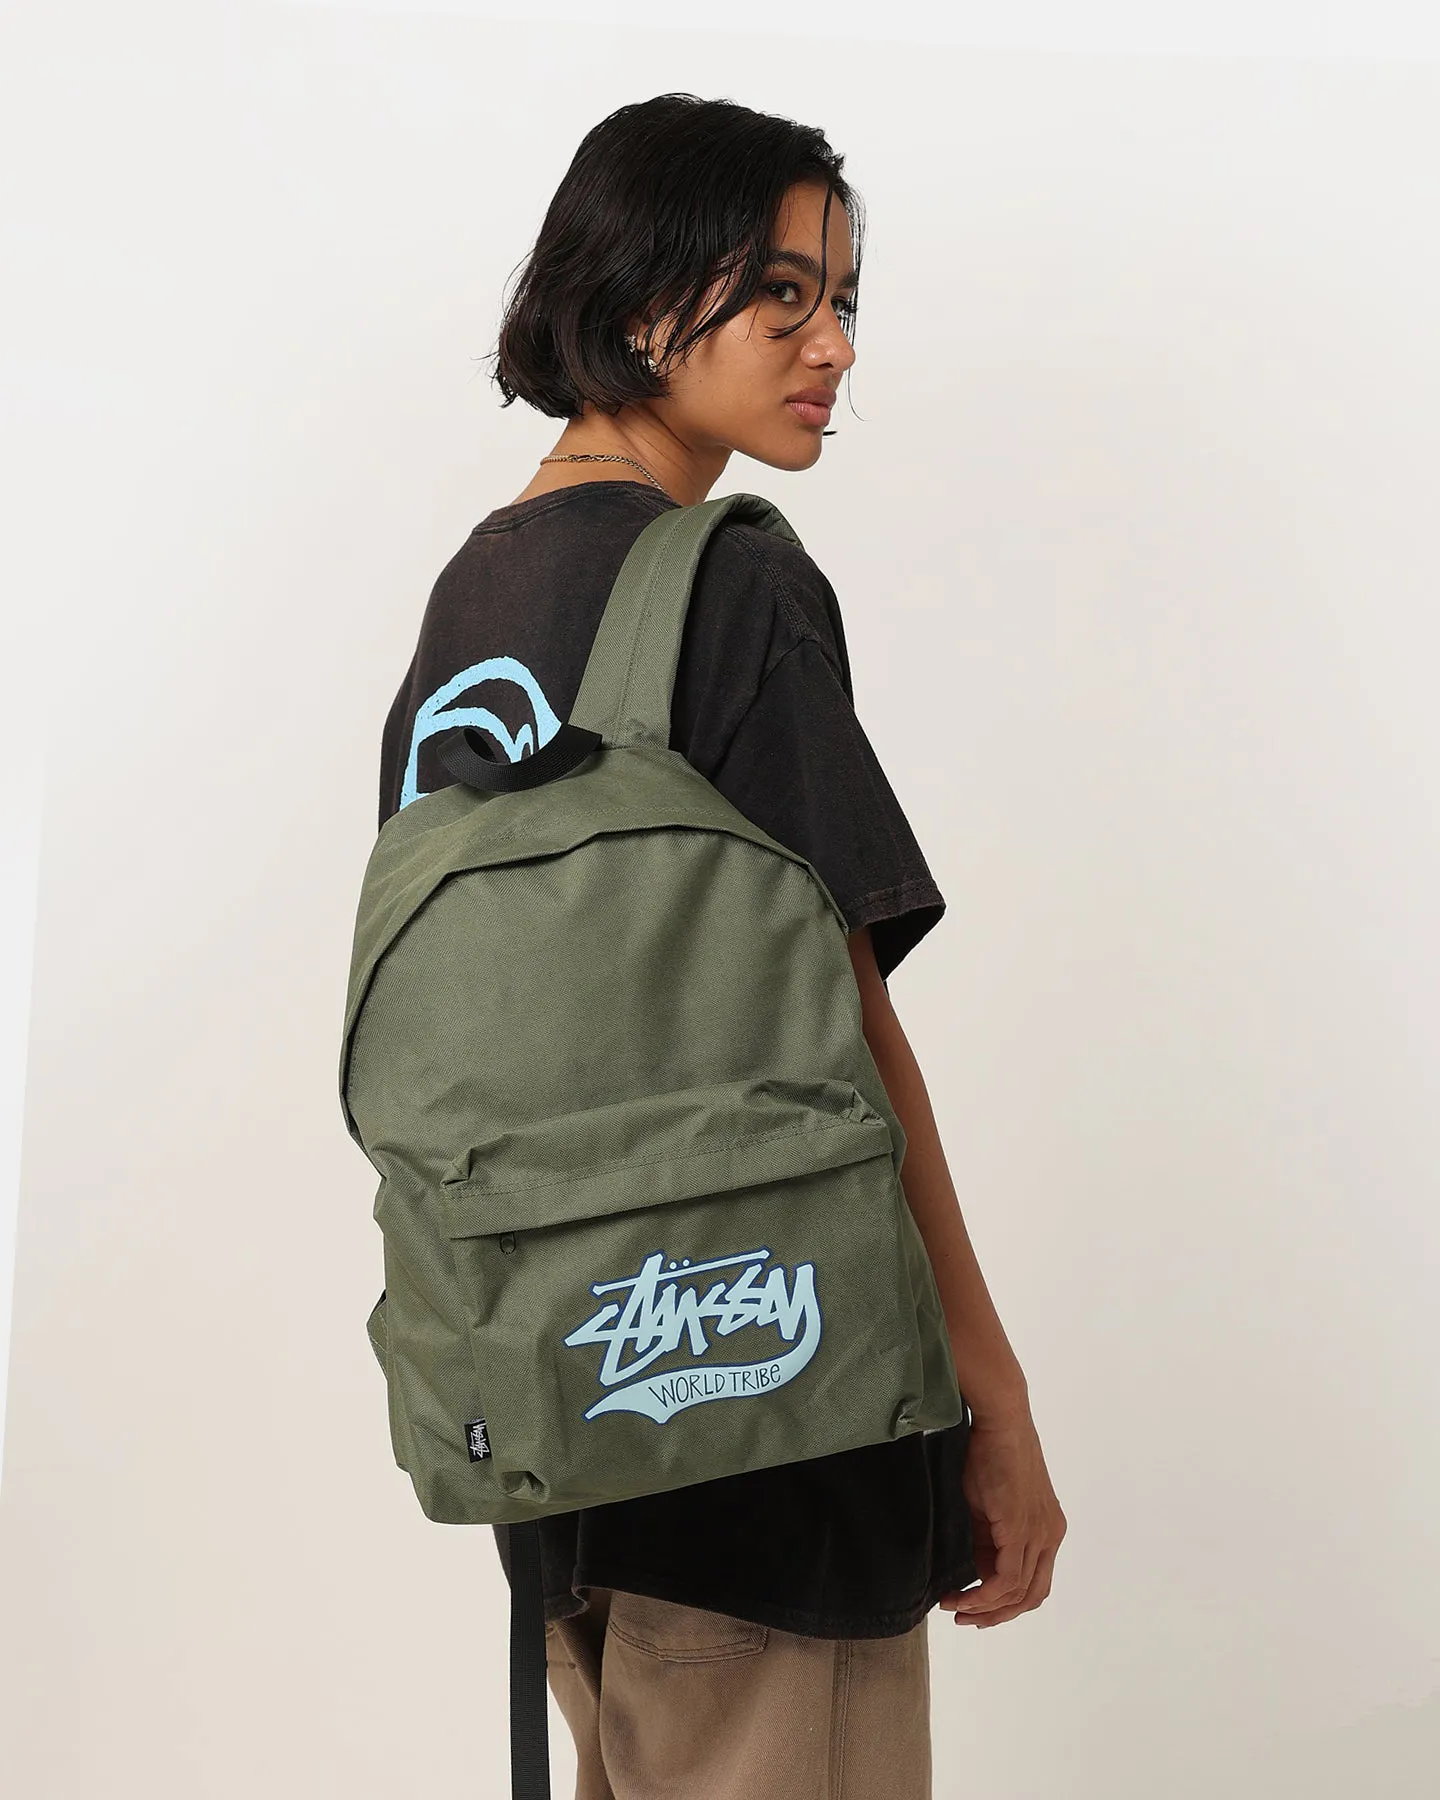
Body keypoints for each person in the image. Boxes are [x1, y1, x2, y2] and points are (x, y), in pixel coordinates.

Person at [377, 93, 1067, 1800]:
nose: (833, 346)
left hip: (560, 1422)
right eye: (781, 295)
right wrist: (990, 1391)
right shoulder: (732, 584)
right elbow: (847, 1038)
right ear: (636, 304)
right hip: (782, 1409)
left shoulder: (473, 603)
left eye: (845, 301)